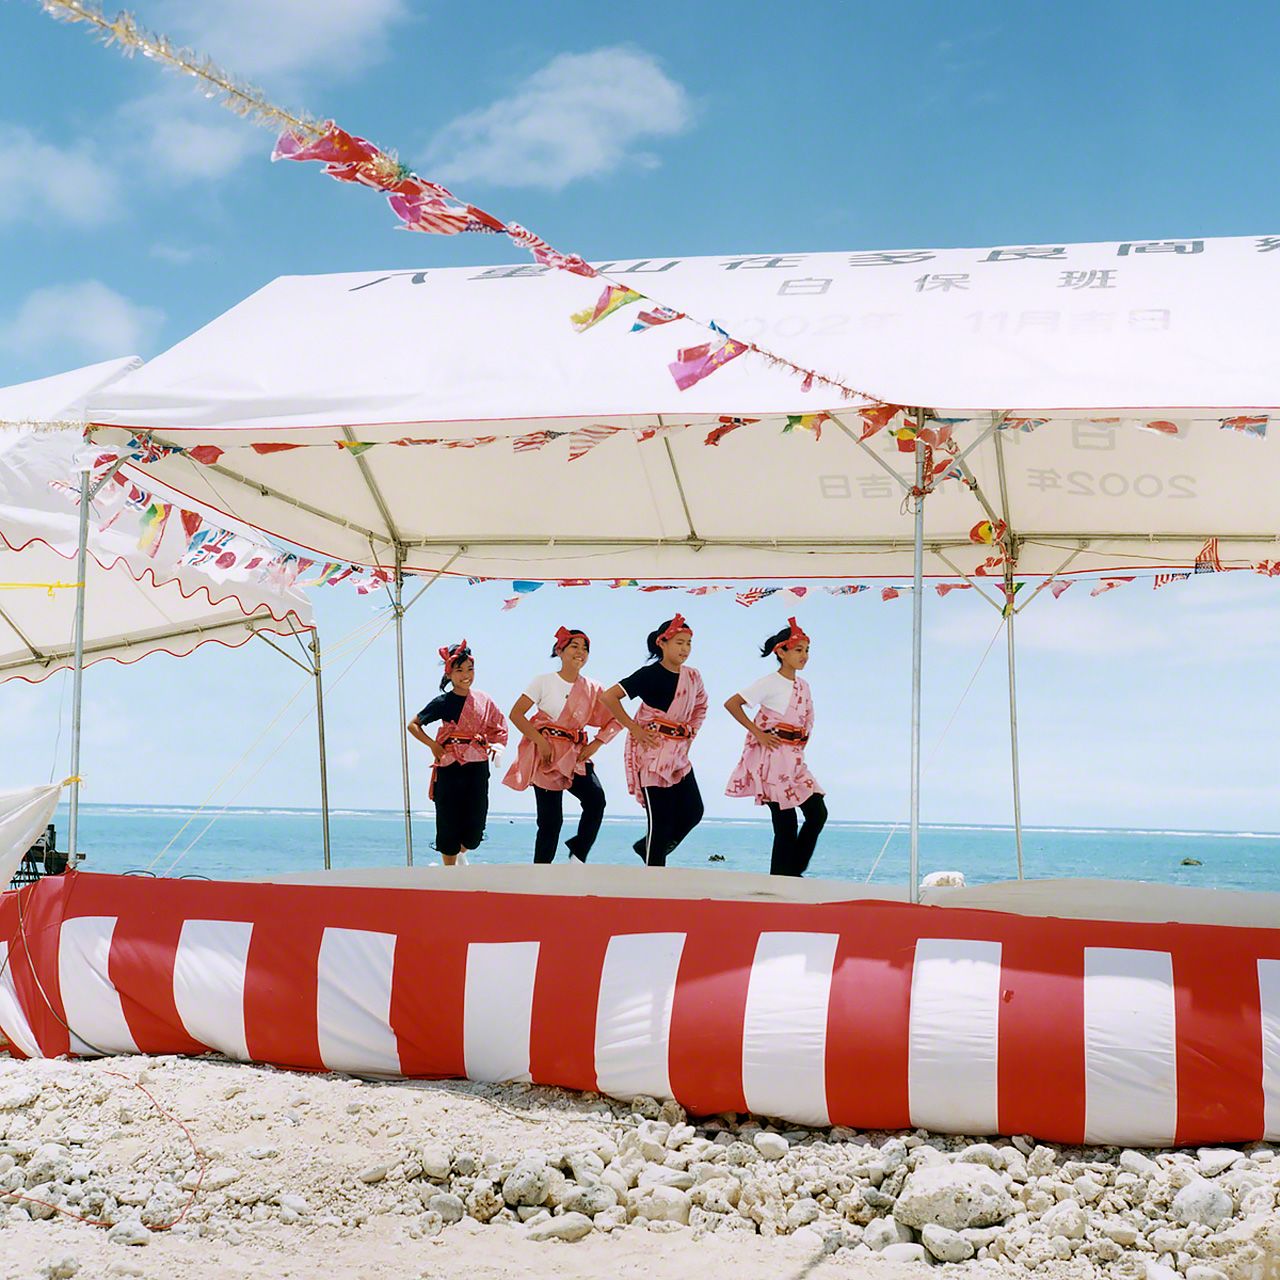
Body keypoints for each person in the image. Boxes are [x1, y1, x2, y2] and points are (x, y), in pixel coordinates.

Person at [504, 626, 622, 864]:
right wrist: (540, 742)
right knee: (550, 822)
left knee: (596, 799)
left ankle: (577, 855)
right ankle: (540, 873)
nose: (581, 652)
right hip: (545, 756)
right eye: (574, 646)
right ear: (560, 650)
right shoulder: (542, 682)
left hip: (575, 755)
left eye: (585, 648)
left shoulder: (593, 687)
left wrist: (596, 745)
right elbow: (516, 714)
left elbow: (615, 718)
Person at [600, 615, 707, 867]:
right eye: (679, 642)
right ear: (663, 643)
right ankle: (654, 875)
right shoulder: (649, 675)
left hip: (679, 755)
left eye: (689, 643)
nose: (685, 649)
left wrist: (691, 730)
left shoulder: (693, 677)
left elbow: (701, 705)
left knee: (693, 811)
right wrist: (634, 729)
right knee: (660, 821)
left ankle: (645, 847)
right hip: (652, 753)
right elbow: (609, 697)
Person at [724, 617, 827, 876]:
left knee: (817, 813)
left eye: (806, 650)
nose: (804, 655)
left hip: (794, 760)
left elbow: (806, 720)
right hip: (772, 759)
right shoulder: (770, 682)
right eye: (798, 650)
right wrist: (758, 733)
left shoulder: (804, 685)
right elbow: (732, 703)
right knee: (785, 823)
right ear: (781, 652)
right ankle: (782, 877)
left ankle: (792, 871)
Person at [406, 639, 508, 866]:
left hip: (478, 765)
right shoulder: (443, 701)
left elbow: (499, 725)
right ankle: (449, 871)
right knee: (448, 820)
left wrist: (497, 745)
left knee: (475, 827)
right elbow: (414, 724)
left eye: (470, 669)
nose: (466, 675)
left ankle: (462, 853)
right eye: (459, 670)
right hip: (450, 766)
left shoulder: (483, 699)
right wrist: (433, 745)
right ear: (449, 674)